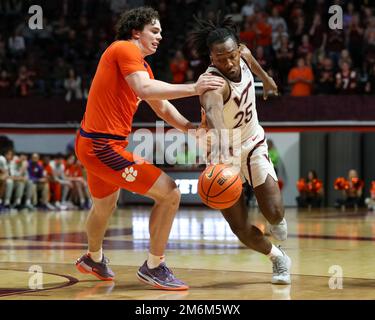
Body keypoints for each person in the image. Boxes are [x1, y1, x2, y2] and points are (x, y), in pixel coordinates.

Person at [74, 7, 224, 290]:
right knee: (170, 193)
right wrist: (196, 87)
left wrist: (190, 129)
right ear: (136, 31)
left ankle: (93, 258)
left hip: (93, 144)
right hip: (102, 145)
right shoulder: (124, 49)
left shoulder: (141, 65)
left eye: (161, 32)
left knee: (104, 206)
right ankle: (154, 266)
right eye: (154, 31)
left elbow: (161, 106)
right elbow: (145, 90)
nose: (160, 37)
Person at [189, 16, 291, 284]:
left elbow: (251, 62)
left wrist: (267, 80)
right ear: (211, 58)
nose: (229, 62)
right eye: (221, 58)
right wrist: (223, 149)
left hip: (253, 141)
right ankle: (279, 258)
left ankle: (276, 222)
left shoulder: (243, 54)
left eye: (231, 55)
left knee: (275, 215)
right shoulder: (212, 85)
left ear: (238, 50)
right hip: (224, 154)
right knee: (240, 228)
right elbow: (213, 114)